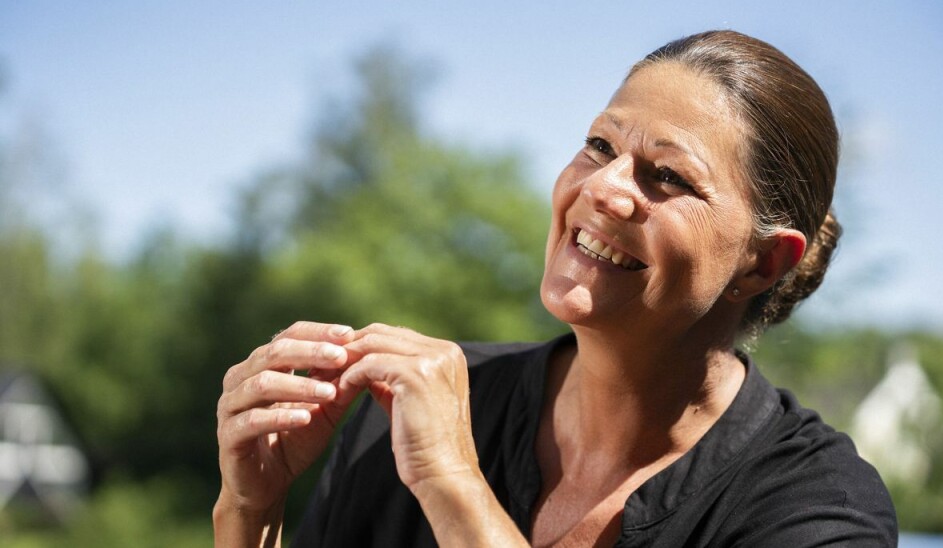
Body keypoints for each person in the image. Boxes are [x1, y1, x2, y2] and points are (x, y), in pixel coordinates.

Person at [214, 30, 897, 547]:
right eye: (600, 146)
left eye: (667, 177)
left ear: (763, 262)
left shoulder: (815, 508)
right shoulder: (392, 418)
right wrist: (251, 511)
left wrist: (452, 483)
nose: (601, 189)